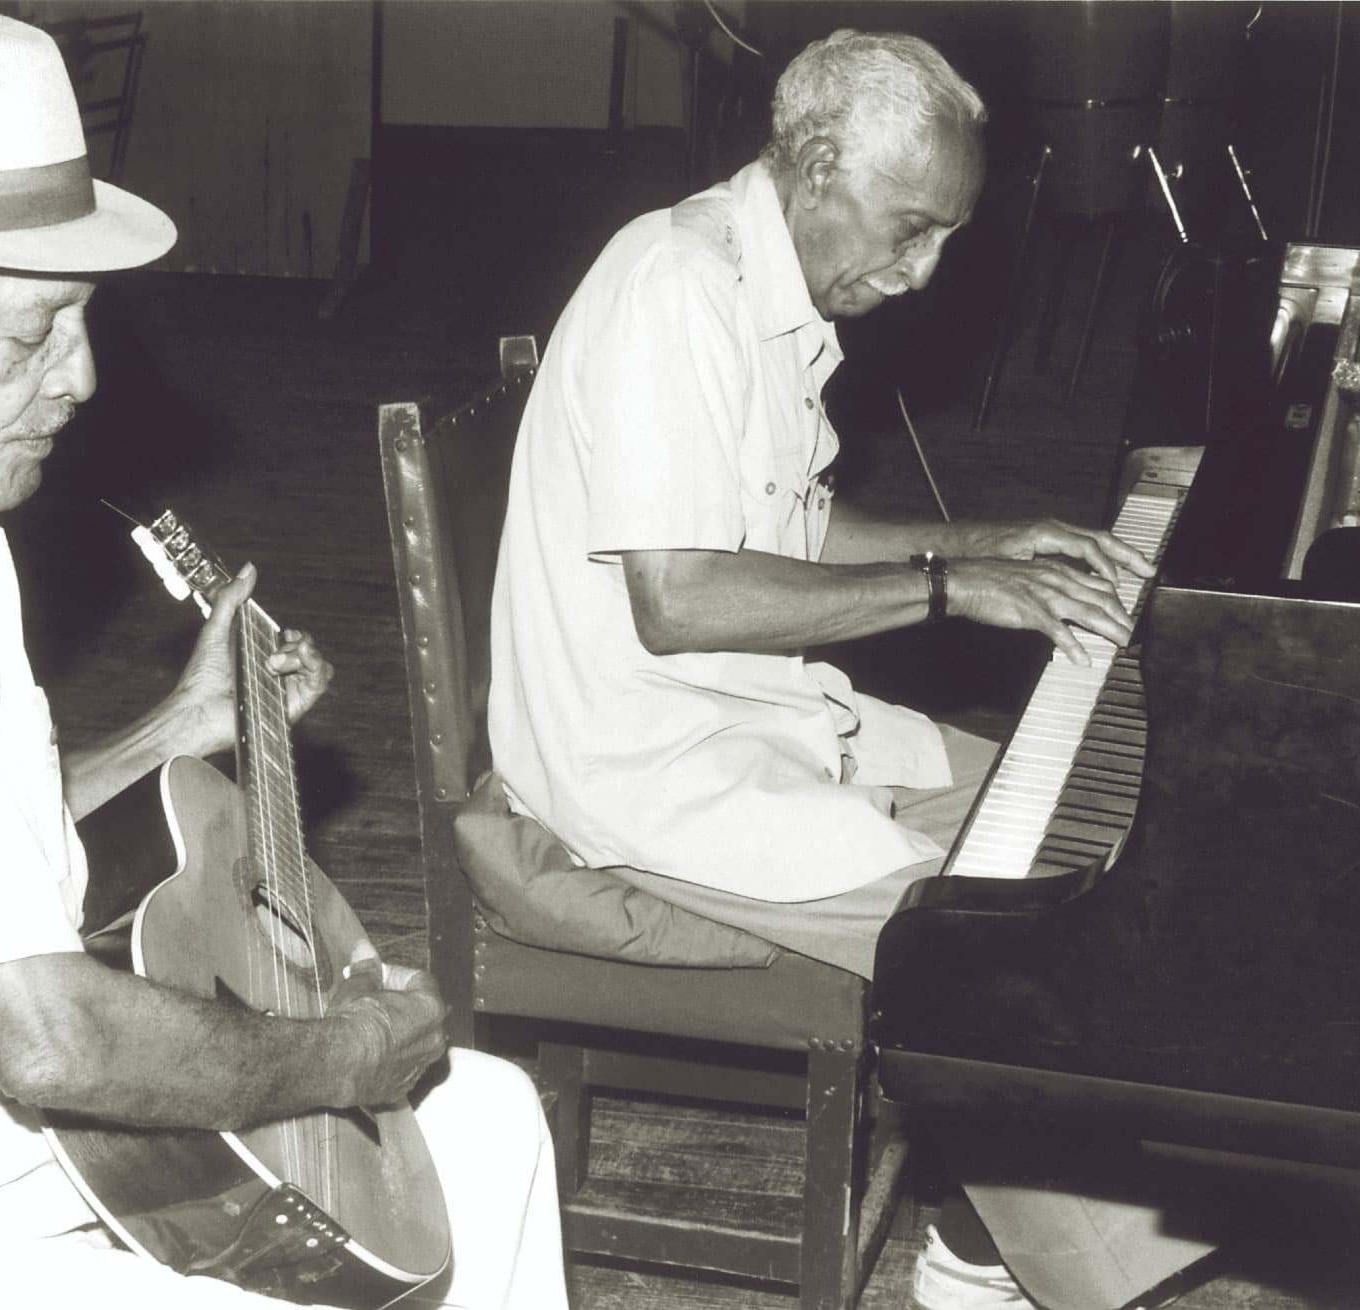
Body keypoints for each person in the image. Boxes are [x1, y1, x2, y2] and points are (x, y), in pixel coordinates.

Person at [0, 12, 564, 1310]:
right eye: (31, 332)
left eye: (80, 319)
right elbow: (48, 1035)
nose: (79, 375)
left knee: (488, 1122)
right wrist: (346, 1048)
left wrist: (168, 730)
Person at [488, 27, 1212, 1310]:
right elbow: (680, 597)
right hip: (645, 765)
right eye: (912, 227)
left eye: (946, 237)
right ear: (818, 164)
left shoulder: (770, 291)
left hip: (757, 720)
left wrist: (980, 539)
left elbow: (790, 529)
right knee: (1000, 940)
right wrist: (949, 587)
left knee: (1096, 817)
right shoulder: (676, 286)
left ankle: (1070, 1193)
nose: (924, 271)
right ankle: (989, 1258)